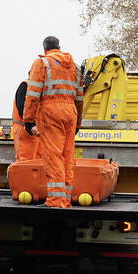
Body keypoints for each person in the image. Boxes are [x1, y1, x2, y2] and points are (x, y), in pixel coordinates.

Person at [22, 35, 83, 208]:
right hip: (71, 112)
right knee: (67, 156)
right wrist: (78, 122)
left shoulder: (42, 64)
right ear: (59, 47)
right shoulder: (75, 67)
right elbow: (80, 98)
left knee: (53, 155)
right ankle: (65, 198)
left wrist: (28, 119)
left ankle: (56, 201)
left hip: (51, 111)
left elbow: (32, 94)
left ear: (44, 49)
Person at [11, 80, 39, 161]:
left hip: (38, 132)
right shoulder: (25, 85)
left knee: (40, 165)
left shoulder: (41, 88)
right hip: (25, 131)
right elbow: (22, 108)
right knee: (25, 164)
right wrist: (31, 125)